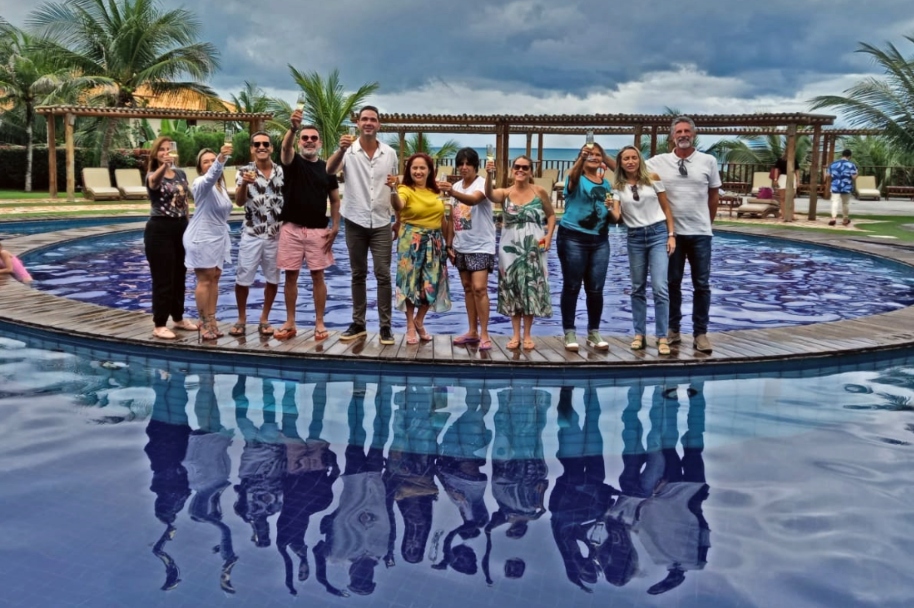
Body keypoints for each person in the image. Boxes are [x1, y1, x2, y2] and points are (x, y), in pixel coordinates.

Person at [646, 116, 721, 354]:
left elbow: (713, 197)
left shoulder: (708, 161)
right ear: (672, 136)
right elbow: (630, 166)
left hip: (700, 234)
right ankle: (673, 329)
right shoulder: (659, 162)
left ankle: (700, 333)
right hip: (672, 234)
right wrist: (600, 156)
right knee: (672, 283)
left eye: (687, 131)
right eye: (678, 131)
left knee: (702, 284)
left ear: (694, 134)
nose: (683, 134)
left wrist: (706, 224)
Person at [326, 105, 398, 345]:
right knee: (358, 274)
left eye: (373, 119)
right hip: (355, 220)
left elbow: (394, 185)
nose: (369, 123)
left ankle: (385, 326)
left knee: (383, 274)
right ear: (358, 123)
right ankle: (359, 323)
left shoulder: (389, 153)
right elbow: (329, 170)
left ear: (379, 124)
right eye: (364, 119)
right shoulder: (348, 151)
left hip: (380, 221)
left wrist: (398, 219)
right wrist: (340, 149)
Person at [276, 117, 341, 341]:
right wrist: (293, 128)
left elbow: (334, 200)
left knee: (318, 276)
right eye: (305, 138)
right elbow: (285, 148)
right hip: (291, 229)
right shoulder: (292, 162)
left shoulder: (327, 168)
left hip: (317, 230)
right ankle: (290, 320)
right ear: (299, 142)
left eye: (313, 138)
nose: (309, 141)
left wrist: (336, 225)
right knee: (290, 276)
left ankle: (320, 322)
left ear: (320, 143)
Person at [610, 146, 676, 355]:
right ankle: (639, 334)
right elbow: (617, 218)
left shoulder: (653, 178)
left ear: (639, 159)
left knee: (660, 287)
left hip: (658, 233)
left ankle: (662, 336)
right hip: (635, 236)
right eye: (626, 159)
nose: (630, 161)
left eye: (634, 157)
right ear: (620, 163)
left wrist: (671, 235)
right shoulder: (618, 186)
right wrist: (608, 206)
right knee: (637, 287)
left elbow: (666, 208)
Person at [484, 155, 555, 350]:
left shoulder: (539, 191)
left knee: (531, 285)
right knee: (513, 284)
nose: (521, 170)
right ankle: (515, 334)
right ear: (512, 169)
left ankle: (528, 335)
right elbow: (489, 194)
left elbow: (550, 215)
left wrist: (548, 237)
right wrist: (489, 174)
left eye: (525, 167)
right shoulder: (505, 193)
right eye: (517, 167)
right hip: (510, 245)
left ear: (531, 171)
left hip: (535, 244)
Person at [557, 142, 615, 352]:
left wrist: (614, 211)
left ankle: (593, 332)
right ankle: (569, 331)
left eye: (598, 154)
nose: (594, 157)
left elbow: (610, 210)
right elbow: (572, 179)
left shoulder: (606, 184)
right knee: (572, 286)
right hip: (573, 237)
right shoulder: (575, 178)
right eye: (589, 154)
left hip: (600, 239)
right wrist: (581, 159)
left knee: (596, 289)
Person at [388, 152, 451, 344]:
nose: (418, 171)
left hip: (435, 241)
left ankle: (419, 320)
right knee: (410, 285)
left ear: (430, 170)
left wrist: (448, 244)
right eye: (414, 167)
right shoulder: (405, 189)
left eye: (422, 167)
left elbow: (443, 219)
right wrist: (392, 189)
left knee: (431, 285)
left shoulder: (437, 191)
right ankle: (410, 326)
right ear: (409, 170)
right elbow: (398, 204)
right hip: (411, 241)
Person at [440, 148, 496, 350]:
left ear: (475, 166)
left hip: (481, 245)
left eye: (468, 164)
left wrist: (451, 192)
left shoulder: (482, 184)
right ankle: (472, 331)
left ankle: (484, 334)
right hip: (461, 245)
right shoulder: (455, 185)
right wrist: (448, 244)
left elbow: (474, 200)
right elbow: (452, 218)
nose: (464, 168)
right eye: (461, 164)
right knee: (467, 288)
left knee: (480, 288)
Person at [230, 132, 285, 338]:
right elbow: (239, 202)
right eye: (257, 144)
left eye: (265, 144)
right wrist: (244, 183)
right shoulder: (244, 171)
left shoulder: (281, 171)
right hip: (252, 233)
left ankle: (264, 318)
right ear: (252, 148)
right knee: (243, 278)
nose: (261, 147)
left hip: (274, 235)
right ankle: (242, 319)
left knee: (273, 278)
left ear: (271, 148)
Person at [144, 136, 197, 340]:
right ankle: (159, 324)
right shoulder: (152, 175)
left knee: (179, 275)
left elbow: (184, 204)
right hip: (159, 229)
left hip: (180, 228)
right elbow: (154, 183)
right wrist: (162, 167)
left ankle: (178, 317)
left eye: (169, 149)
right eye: (162, 150)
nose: (166, 153)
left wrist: (189, 227)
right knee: (163, 278)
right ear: (156, 153)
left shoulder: (181, 173)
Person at [184, 146, 234, 340]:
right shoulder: (201, 183)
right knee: (205, 280)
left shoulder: (220, 187)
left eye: (213, 159)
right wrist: (221, 158)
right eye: (206, 161)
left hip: (218, 237)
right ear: (200, 167)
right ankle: (203, 323)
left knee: (215, 278)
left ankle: (212, 320)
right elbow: (212, 175)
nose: (211, 163)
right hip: (202, 237)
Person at [828, 149, 858, 227]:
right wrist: (857, 173)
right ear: (850, 156)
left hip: (835, 185)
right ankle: (845, 219)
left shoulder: (833, 164)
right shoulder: (851, 165)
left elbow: (827, 175)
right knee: (845, 203)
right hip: (846, 186)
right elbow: (854, 177)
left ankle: (833, 218)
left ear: (842, 155)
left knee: (834, 202)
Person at [771, 151, 800, 220]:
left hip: (792, 177)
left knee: (791, 198)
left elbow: (797, 170)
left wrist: (798, 180)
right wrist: (775, 179)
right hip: (783, 177)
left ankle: (792, 215)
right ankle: (783, 214)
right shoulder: (780, 160)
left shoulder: (794, 160)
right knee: (782, 197)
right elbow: (776, 169)